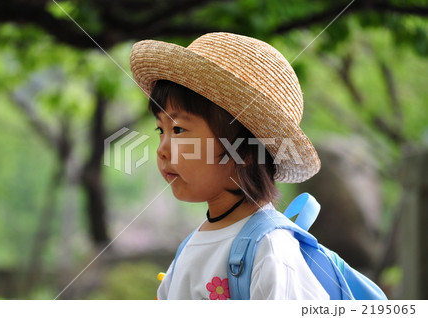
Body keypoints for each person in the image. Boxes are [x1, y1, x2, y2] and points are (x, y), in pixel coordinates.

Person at [130, 32, 329, 299]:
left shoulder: (270, 251)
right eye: (160, 130)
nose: (162, 149)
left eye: (178, 130)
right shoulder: (192, 245)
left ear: (244, 153)